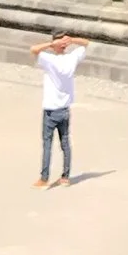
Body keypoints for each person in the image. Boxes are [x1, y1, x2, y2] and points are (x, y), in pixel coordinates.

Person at [32, 32, 85, 186]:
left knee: (47, 144)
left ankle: (44, 178)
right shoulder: (71, 58)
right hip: (65, 109)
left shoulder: (50, 60)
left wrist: (50, 44)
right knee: (65, 143)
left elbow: (33, 49)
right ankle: (66, 176)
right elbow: (86, 44)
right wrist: (72, 40)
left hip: (51, 110)